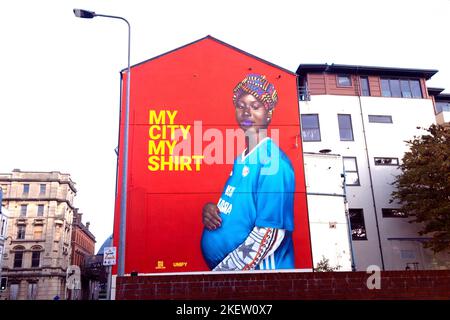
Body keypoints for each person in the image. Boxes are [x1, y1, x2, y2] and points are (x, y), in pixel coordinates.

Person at [200, 74, 295, 271]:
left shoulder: (274, 163)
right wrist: (212, 209)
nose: (246, 112)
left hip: (259, 279)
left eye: (255, 106)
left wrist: (223, 275)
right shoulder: (241, 159)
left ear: (268, 113)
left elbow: (269, 233)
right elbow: (240, 210)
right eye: (241, 105)